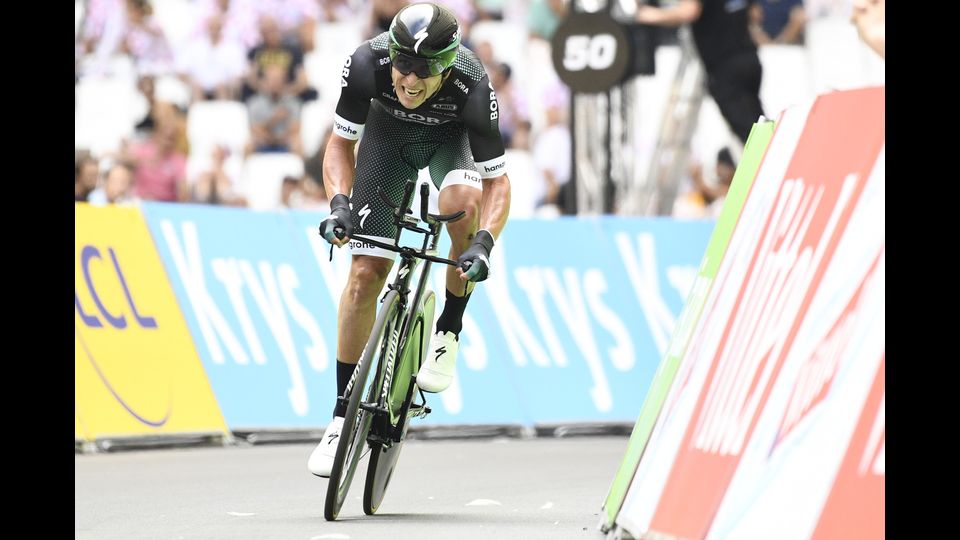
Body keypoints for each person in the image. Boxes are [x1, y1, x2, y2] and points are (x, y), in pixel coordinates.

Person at [307, 2, 512, 477]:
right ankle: (341, 415)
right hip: (386, 139)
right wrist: (339, 204)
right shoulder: (366, 64)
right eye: (404, 66)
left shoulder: (472, 84)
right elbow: (339, 145)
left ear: (446, 66)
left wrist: (483, 242)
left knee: (457, 202)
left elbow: (498, 184)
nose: (411, 81)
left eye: (425, 71)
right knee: (362, 278)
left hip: (449, 139)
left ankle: (448, 329)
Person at [636, 0, 765, 145]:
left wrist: (649, 15)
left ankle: (770, 162)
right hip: (750, 59)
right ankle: (773, 157)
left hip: (725, 67)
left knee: (751, 134)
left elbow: (690, 11)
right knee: (759, 123)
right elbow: (755, 14)